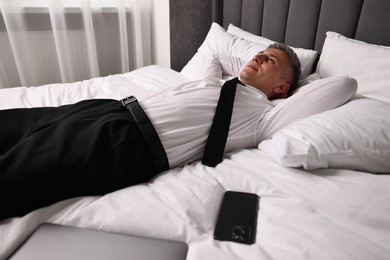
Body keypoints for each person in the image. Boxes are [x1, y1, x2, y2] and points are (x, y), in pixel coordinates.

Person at [0, 43, 357, 221]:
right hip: (107, 109)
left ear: (282, 88)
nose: (257, 57)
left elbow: (344, 84)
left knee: (15, 175)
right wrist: (256, 67)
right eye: (258, 52)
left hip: (126, 144)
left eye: (270, 60)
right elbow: (217, 53)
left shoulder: (264, 116)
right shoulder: (215, 83)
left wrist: (293, 85)